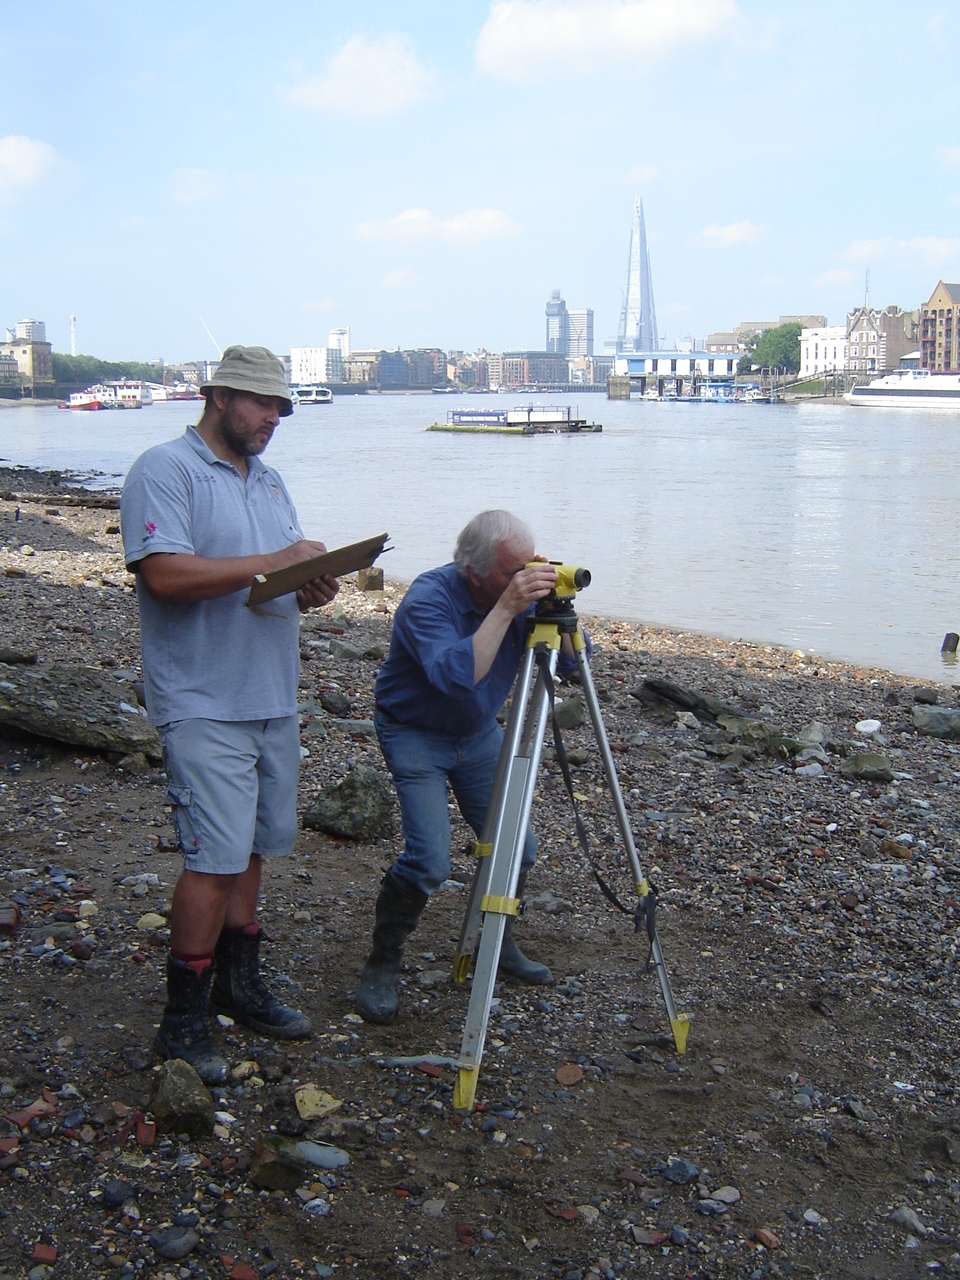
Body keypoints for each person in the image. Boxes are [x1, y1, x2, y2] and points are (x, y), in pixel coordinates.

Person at [120, 345, 339, 1084]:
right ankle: (182, 1019)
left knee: (252, 849)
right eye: (263, 404)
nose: (274, 417)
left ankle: (239, 987)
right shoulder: (165, 469)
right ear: (218, 397)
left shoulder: (270, 480)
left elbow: (268, 577)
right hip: (203, 699)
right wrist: (274, 564)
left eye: (282, 407)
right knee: (211, 858)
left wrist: (305, 585)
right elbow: (166, 575)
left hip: (271, 694)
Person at [357, 509, 586, 1025]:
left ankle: (498, 944)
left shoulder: (515, 594)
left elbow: (572, 664)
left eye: (530, 566)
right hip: (414, 732)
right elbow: (458, 676)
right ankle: (383, 960)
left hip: (478, 733)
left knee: (519, 849)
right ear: (475, 572)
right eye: (513, 572)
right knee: (430, 862)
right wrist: (505, 609)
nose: (524, 578)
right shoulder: (429, 599)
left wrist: (561, 609)